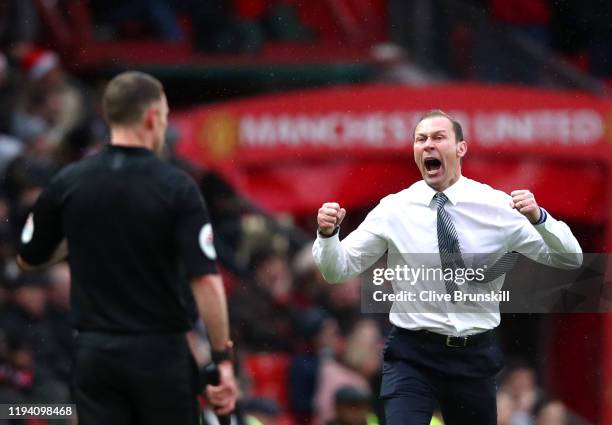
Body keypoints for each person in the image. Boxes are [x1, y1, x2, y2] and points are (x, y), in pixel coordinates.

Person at [312, 109, 582, 425]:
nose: (428, 145)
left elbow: (570, 258)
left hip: (474, 355)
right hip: (412, 354)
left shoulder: (499, 207)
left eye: (438, 137)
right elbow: (337, 270)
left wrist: (541, 219)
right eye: (420, 139)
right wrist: (328, 236)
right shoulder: (394, 209)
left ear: (460, 148)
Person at [16, 71, 237, 425]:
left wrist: (80, 235)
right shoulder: (175, 187)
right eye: (164, 117)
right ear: (151, 117)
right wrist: (221, 359)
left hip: (95, 354)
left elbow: (28, 257)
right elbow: (206, 281)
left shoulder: (69, 180)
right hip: (159, 353)